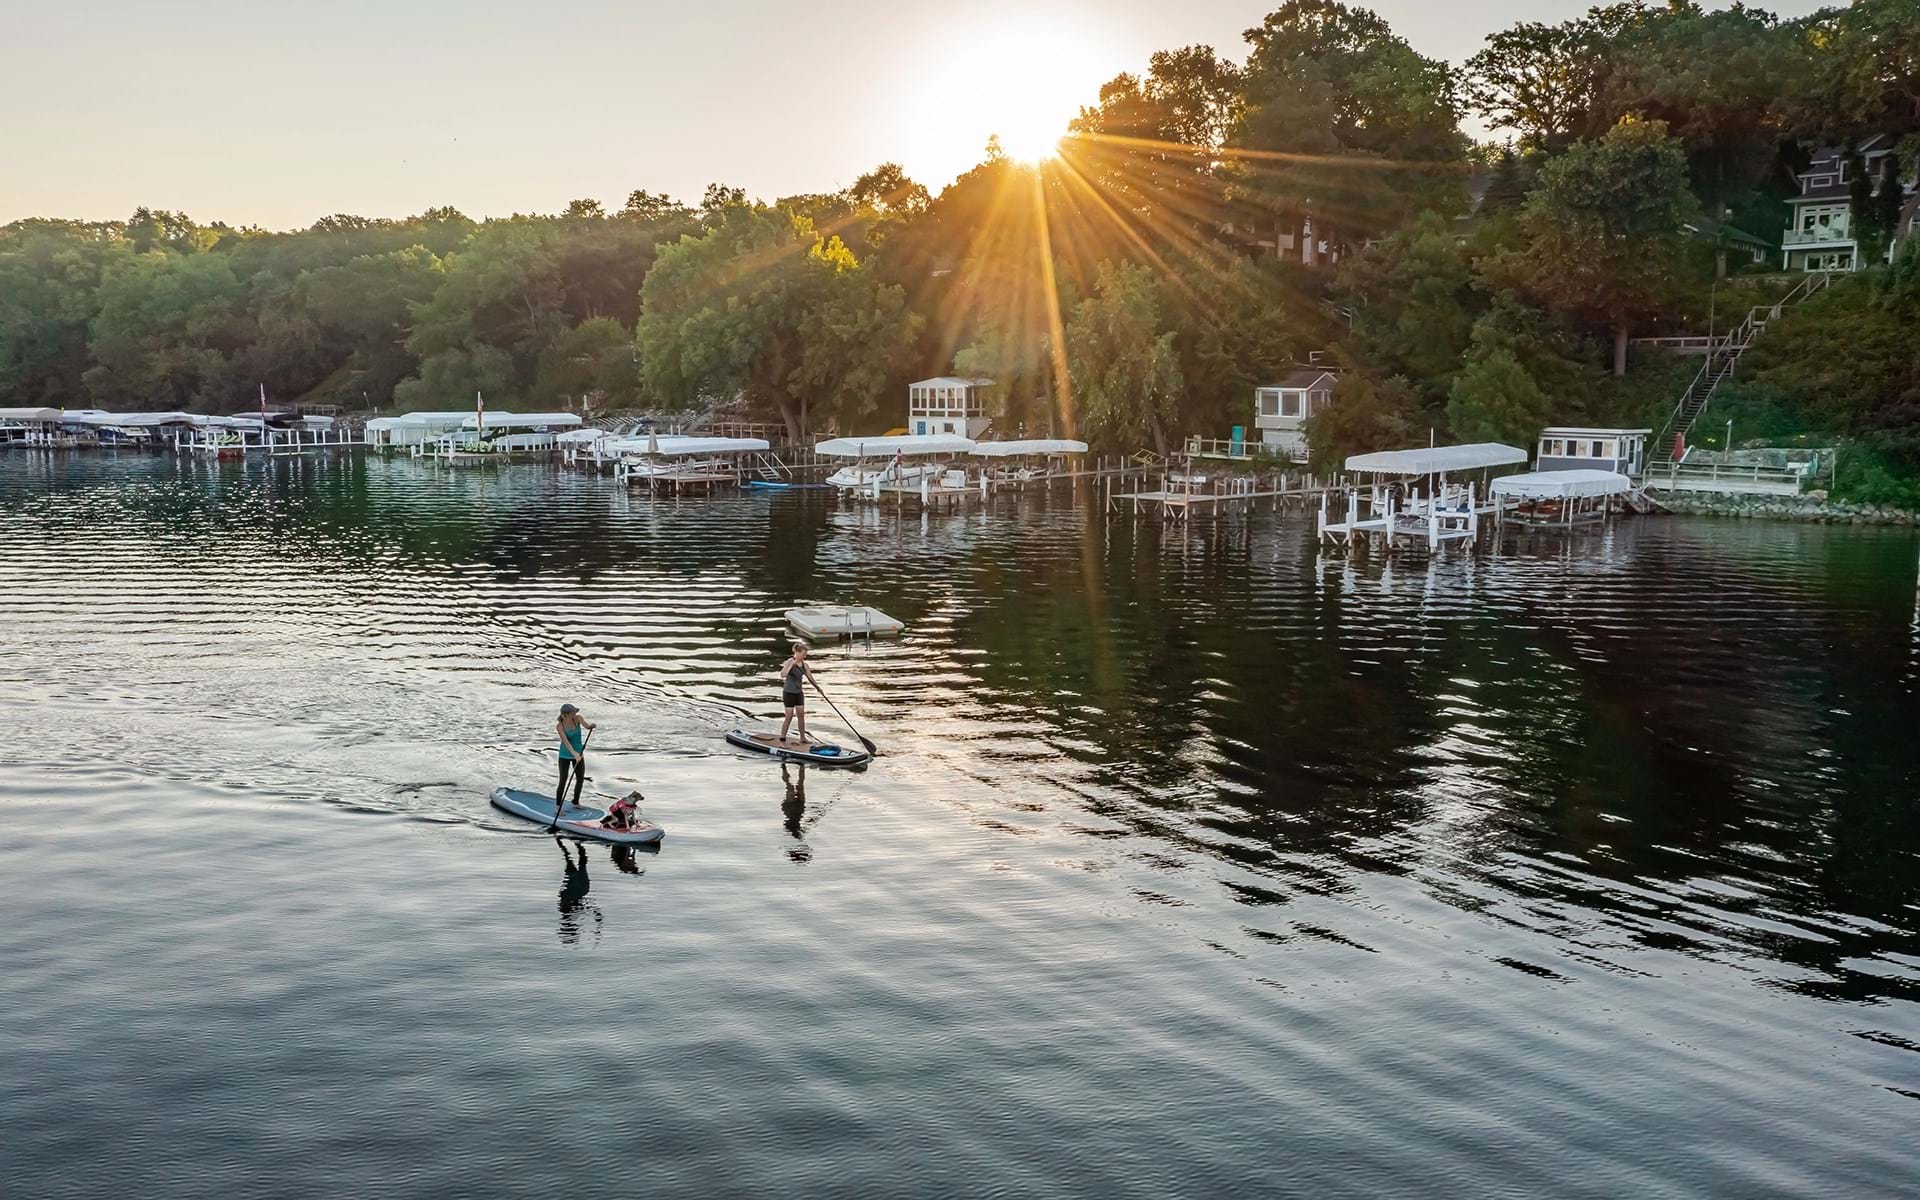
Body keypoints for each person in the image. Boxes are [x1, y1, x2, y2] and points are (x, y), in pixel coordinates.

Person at [553, 703, 596, 823]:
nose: (574, 714)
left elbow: (587, 726)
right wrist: (574, 754)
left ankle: (575, 802)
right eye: (572, 713)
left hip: (578, 753)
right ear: (564, 714)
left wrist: (590, 726)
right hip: (565, 755)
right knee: (563, 780)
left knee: (580, 778)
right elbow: (566, 742)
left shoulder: (578, 719)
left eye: (574, 712)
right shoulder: (560, 726)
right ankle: (557, 806)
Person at [776, 643, 814, 745]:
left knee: (801, 714)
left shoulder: (805, 665)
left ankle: (802, 737)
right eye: (803, 654)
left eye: (805, 655)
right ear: (797, 653)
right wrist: (792, 665)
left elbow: (810, 677)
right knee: (789, 715)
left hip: (798, 692)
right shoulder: (789, 661)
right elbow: (782, 675)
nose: (804, 657)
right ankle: (783, 736)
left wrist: (818, 688)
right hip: (788, 692)